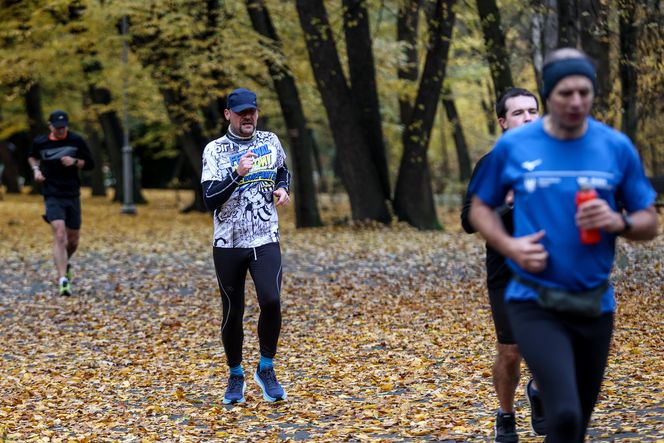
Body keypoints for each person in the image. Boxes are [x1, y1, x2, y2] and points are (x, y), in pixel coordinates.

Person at [468, 48, 658, 442]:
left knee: (573, 423)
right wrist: (509, 244)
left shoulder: (615, 147)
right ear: (551, 94)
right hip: (528, 293)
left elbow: (649, 221)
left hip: (593, 301)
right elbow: (476, 212)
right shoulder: (510, 151)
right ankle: (508, 415)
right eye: (566, 93)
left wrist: (618, 221)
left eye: (584, 93)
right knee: (558, 403)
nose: (576, 102)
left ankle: (541, 397)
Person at [461, 87, 545, 442]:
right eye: (518, 113)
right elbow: (468, 221)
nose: (527, 118)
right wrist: (506, 204)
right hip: (506, 272)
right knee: (511, 353)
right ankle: (506, 414)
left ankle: (540, 390)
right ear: (503, 122)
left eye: (532, 111)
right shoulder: (491, 165)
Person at [201, 88, 291, 404]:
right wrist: (237, 174)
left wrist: (282, 188)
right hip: (228, 243)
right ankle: (235, 375)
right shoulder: (215, 150)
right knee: (233, 311)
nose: (248, 117)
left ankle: (266, 368)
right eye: (241, 113)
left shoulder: (271, 141)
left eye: (251, 111)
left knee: (271, 299)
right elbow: (209, 199)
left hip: (266, 236)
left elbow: (282, 169)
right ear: (228, 115)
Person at [28, 110, 95, 296]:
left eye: (63, 127)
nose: (61, 130)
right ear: (50, 126)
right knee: (59, 233)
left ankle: (65, 262)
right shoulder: (41, 142)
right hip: (52, 194)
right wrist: (36, 170)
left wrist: (75, 161)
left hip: (72, 193)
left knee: (72, 240)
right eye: (57, 128)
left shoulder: (76, 141)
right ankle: (62, 280)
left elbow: (90, 164)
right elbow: (32, 156)